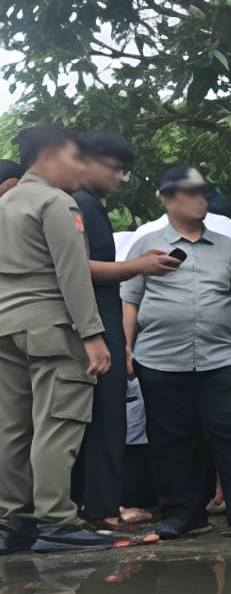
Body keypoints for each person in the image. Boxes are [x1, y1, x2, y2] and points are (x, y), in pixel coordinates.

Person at [123, 165, 231, 539]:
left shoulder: (225, 247)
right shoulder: (146, 245)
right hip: (160, 359)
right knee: (171, 439)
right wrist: (126, 349)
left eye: (203, 193)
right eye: (191, 193)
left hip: (219, 358)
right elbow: (129, 299)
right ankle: (182, 514)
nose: (200, 201)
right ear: (166, 198)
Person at [0, 126, 117, 555]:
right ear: (49, 157)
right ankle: (55, 520)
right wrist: (93, 334)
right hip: (52, 327)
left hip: (6, 326)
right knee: (58, 422)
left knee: (12, 428)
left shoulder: (5, 201)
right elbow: (74, 272)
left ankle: (12, 524)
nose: (80, 168)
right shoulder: (56, 202)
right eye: (75, 158)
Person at [71, 131, 181, 532]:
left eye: (126, 171)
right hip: (93, 325)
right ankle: (101, 509)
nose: (121, 178)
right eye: (116, 169)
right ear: (87, 162)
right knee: (105, 419)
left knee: (107, 417)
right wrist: (139, 266)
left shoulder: (91, 206)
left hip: (101, 321)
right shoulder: (78, 204)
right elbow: (76, 268)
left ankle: (99, 504)